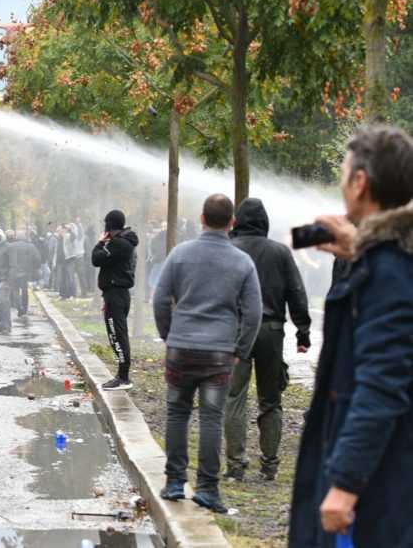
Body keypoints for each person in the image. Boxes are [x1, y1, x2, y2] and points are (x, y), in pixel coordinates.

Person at [289, 126, 413, 547]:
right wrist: (361, 248)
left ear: (360, 182)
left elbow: (382, 384)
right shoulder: (384, 261)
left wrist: (344, 483)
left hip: (377, 491)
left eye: (344, 172)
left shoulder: (388, 273)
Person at [153, 194, 261, 513]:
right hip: (219, 354)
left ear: (201, 218)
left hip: (181, 349)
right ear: (232, 223)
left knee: (177, 412)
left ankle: (174, 482)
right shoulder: (242, 262)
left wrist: (169, 335)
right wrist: (241, 348)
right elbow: (253, 313)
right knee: (211, 417)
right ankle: (207, 488)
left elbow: (160, 299)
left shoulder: (180, 254)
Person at [224, 198, 311, 482]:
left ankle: (236, 465)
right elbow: (296, 292)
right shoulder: (280, 252)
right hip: (271, 331)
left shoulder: (228, 251)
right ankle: (269, 465)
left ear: (237, 221)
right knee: (270, 400)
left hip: (236, 331)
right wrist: (303, 331)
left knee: (234, 397)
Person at [92, 210, 139, 391]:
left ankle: (123, 377)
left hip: (116, 295)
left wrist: (100, 243)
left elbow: (96, 259)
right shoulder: (124, 243)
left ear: (109, 225)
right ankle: (122, 375)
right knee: (117, 335)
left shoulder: (119, 244)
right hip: (116, 293)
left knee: (117, 336)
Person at [8, 230, 41, 317]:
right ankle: (25, 309)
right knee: (24, 290)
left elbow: (6, 259)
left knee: (15, 290)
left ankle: (18, 307)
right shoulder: (30, 246)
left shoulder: (10, 246)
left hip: (13, 272)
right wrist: (35, 268)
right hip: (25, 272)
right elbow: (37, 258)